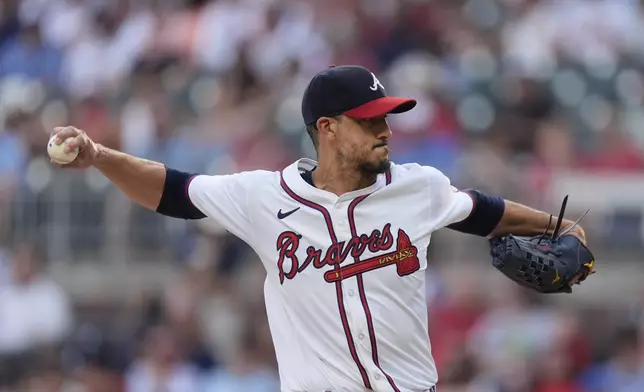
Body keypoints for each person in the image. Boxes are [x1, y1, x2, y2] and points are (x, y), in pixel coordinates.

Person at [50, 65, 587, 392]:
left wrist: (559, 224)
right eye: (370, 119)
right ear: (327, 129)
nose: (385, 129)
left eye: (386, 117)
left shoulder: (417, 187)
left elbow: (483, 210)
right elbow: (173, 189)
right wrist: (99, 155)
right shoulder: (265, 196)